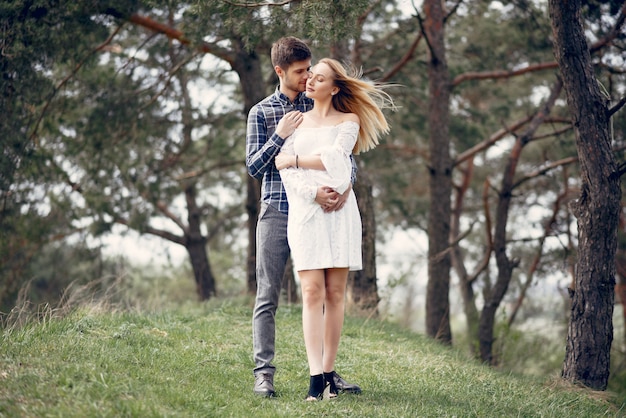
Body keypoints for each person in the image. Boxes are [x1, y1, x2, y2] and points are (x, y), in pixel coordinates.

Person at [246, 37, 362, 398]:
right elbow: (254, 167)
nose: (306, 76)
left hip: (324, 211)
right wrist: (279, 137)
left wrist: (343, 190)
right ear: (279, 71)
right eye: (299, 72)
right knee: (268, 294)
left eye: (309, 70)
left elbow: (346, 162)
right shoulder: (262, 112)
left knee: (326, 293)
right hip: (278, 211)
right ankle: (264, 373)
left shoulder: (323, 105)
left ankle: (327, 374)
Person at [275, 58, 393, 400]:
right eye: (310, 76)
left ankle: (329, 373)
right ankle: (315, 378)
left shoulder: (349, 121)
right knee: (311, 292)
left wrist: (296, 159)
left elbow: (340, 164)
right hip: (307, 212)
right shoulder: (295, 122)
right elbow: (284, 172)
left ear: (335, 87)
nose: (310, 82)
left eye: (319, 78)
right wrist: (313, 191)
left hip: (341, 214)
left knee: (335, 294)